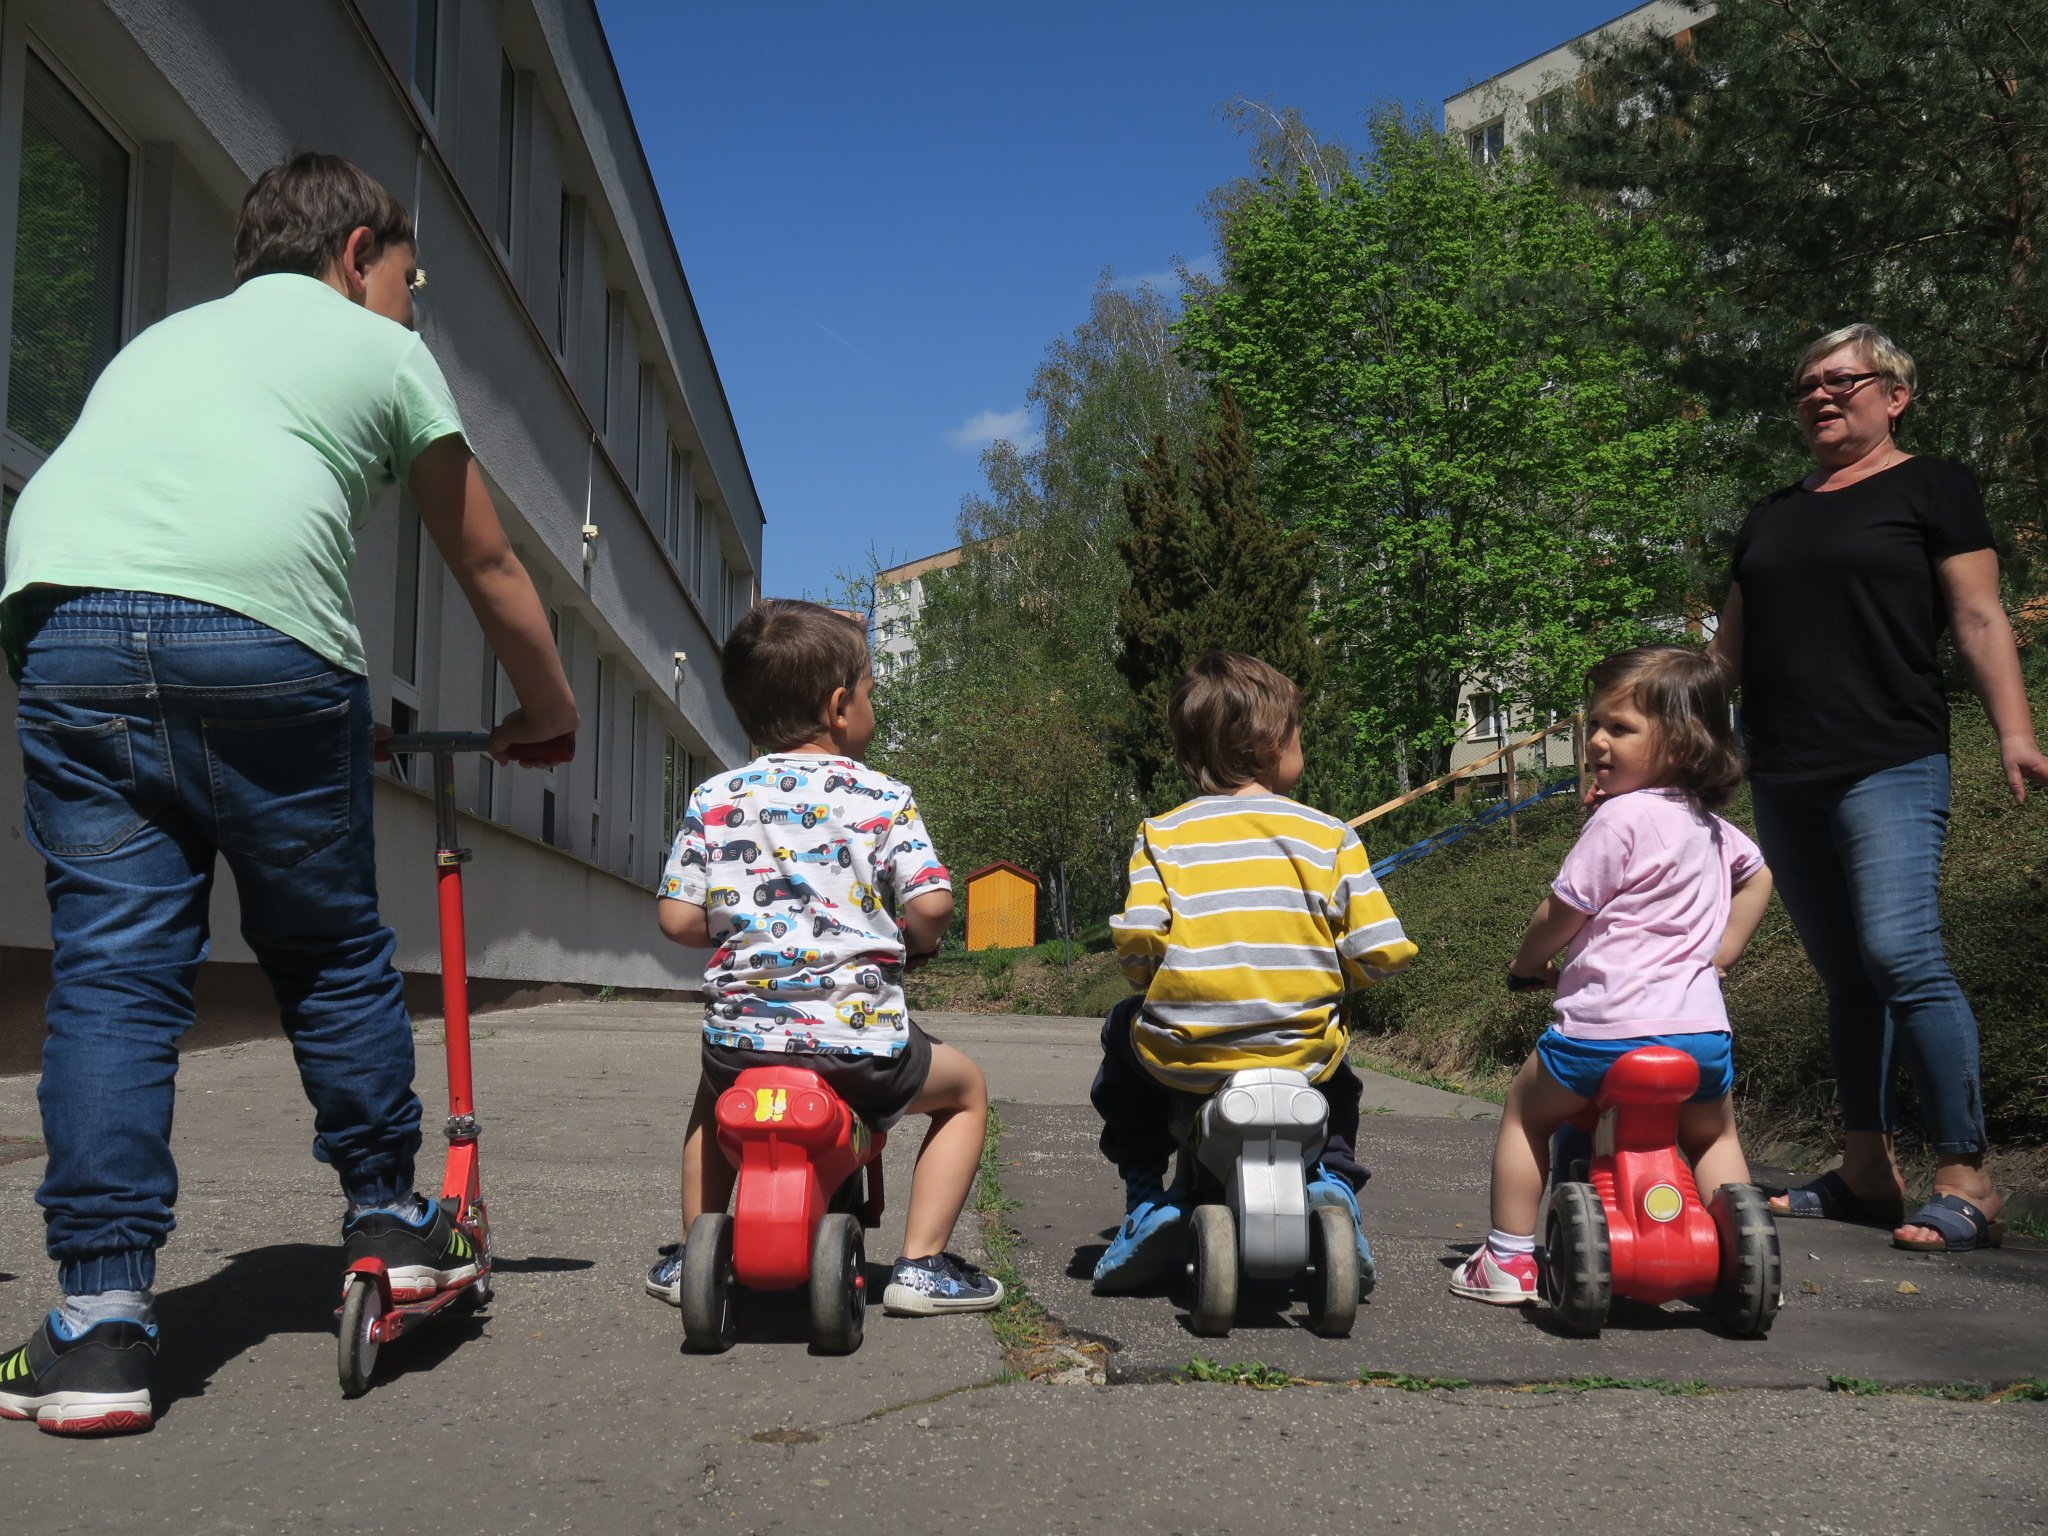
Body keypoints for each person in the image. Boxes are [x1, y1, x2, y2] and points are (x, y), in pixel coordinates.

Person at [0, 153, 578, 1435]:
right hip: (260, 646)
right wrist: (548, 713)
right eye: (411, 279)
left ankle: (98, 1327)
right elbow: (484, 558)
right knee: (323, 949)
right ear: (357, 252)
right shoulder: (379, 348)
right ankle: (391, 1216)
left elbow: (157, 541)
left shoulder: (160, 342)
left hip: (66, 632)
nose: (412, 304)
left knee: (110, 975)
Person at [1711, 323, 2048, 1253]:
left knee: (1903, 956)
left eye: (1842, 380)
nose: (1819, 394)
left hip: (1889, 758)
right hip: (1784, 768)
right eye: (1806, 384)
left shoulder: (1931, 486)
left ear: (1894, 395)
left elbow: (1979, 617)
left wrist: (2015, 733)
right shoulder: (1772, 513)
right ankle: (1866, 1169)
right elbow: (1726, 655)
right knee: (1847, 978)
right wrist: (1667, 751)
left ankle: (1969, 1178)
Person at [648, 599, 1002, 1317]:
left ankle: (694, 1252)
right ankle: (922, 1266)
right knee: (966, 1091)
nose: (872, 706)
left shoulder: (715, 796)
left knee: (711, 1098)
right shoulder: (883, 797)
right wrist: (916, 940)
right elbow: (933, 905)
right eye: (869, 692)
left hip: (742, 1050)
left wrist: (741, 929)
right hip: (858, 1051)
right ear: (840, 707)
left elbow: (678, 918)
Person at [1451, 646, 1773, 1304]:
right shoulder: (1710, 827)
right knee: (1712, 1134)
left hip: (1603, 1033)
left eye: (1619, 728)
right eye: (1594, 724)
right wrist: (1721, 954)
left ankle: (1508, 1261)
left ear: (1682, 743)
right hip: (1700, 1035)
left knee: (1524, 1114)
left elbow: (1561, 911)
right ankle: (1742, 1262)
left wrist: (1528, 964)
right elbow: (1759, 875)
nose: (1596, 739)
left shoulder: (1619, 819)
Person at [1090, 650, 1416, 1294]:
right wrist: (1343, 978)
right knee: (1339, 1076)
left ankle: (1145, 1195)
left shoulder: (1162, 834)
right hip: (1296, 1052)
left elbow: (1140, 940)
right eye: (1299, 735)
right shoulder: (1328, 836)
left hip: (1188, 1053)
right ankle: (1333, 1181)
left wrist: (1148, 976)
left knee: (1122, 1044)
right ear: (1272, 746)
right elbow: (1380, 949)